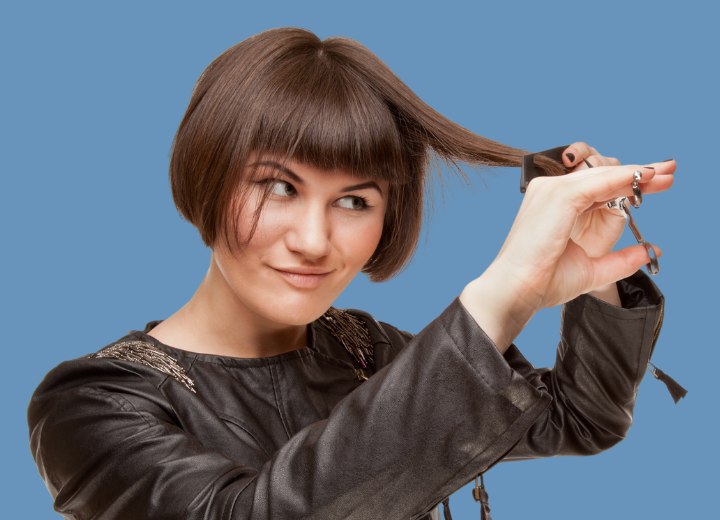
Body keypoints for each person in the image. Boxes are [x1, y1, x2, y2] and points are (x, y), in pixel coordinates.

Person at [27, 27, 674, 520]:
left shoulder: (366, 352)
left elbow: (577, 417)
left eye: (354, 201)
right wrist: (501, 297)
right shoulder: (96, 404)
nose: (313, 240)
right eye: (278, 187)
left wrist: (591, 271)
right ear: (208, 177)